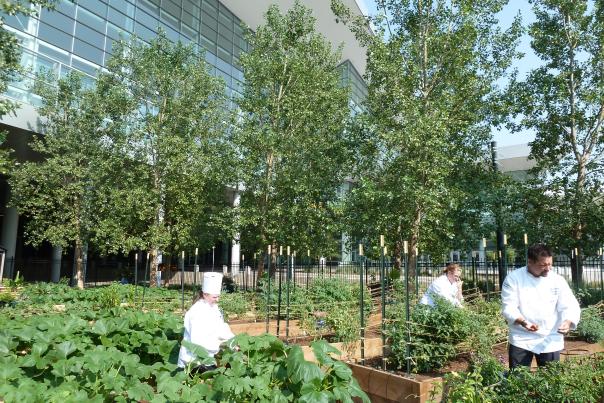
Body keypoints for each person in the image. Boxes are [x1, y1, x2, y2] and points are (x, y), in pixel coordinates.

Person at [501, 243, 581, 369]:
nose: (548, 268)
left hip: (550, 337)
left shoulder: (557, 280)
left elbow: (569, 304)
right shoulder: (514, 278)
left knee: (551, 380)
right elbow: (509, 307)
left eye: (550, 264)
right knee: (517, 381)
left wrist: (567, 321)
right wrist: (524, 322)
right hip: (521, 337)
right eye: (543, 265)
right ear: (530, 262)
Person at [177, 272, 235, 370]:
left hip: (207, 358)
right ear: (205, 295)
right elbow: (198, 340)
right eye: (214, 297)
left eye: (218, 296)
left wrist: (233, 341)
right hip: (193, 360)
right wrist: (219, 344)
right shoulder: (196, 312)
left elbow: (221, 327)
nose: (217, 300)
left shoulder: (214, 308)